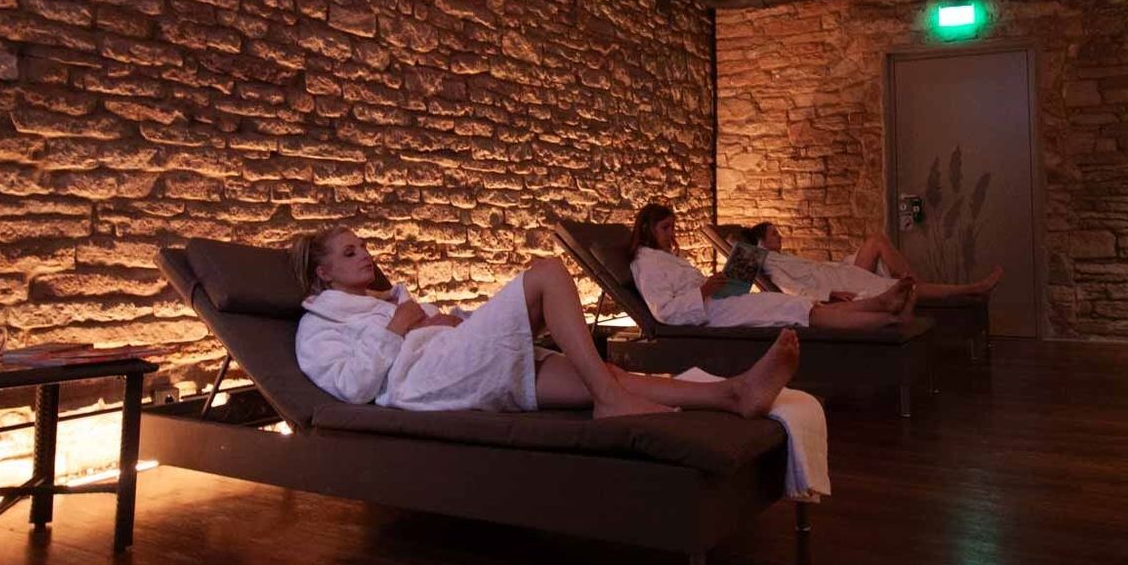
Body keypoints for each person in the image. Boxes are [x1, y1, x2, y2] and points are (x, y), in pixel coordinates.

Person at [291, 226, 800, 420]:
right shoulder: (319, 326)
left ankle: (733, 394)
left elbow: (424, 332)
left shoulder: (386, 301)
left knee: (600, 373)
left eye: (363, 246)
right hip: (428, 383)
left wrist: (447, 319)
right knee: (548, 273)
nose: (366, 255)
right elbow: (353, 387)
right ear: (323, 272)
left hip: (456, 361)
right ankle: (610, 401)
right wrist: (400, 327)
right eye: (350, 252)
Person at [627, 204, 913, 330]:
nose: (672, 234)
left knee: (802, 308)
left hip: (722, 302)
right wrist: (703, 292)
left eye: (672, 227)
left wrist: (718, 284)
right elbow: (664, 312)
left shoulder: (666, 257)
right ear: (648, 228)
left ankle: (882, 305)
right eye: (665, 228)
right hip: (711, 314)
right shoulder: (646, 264)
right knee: (799, 309)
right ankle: (889, 319)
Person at [734, 221, 1003, 305]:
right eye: (774, 234)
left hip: (839, 273)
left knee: (876, 241)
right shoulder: (768, 262)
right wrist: (829, 294)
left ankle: (919, 287)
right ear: (760, 242)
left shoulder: (781, 257)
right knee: (906, 287)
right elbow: (791, 289)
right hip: (838, 282)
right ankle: (973, 289)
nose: (780, 236)